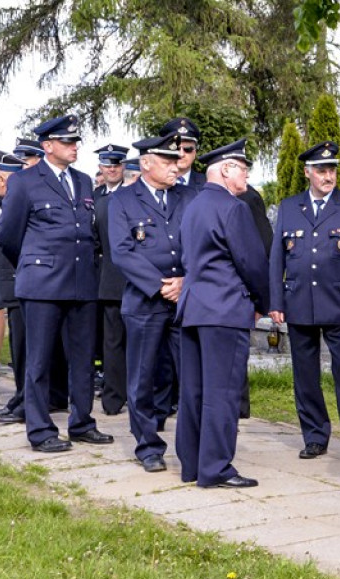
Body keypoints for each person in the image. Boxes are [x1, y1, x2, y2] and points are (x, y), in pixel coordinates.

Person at [0, 114, 114, 452]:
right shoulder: (25, 181)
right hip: (43, 283)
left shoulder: (81, 181)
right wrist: (37, 262)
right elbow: (8, 235)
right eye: (66, 141)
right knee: (40, 360)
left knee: (81, 359)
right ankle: (40, 430)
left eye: (75, 141)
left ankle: (81, 423)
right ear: (48, 146)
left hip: (81, 282)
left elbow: (86, 232)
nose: (74, 146)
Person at [268, 140, 340, 462]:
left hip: (339, 302)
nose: (329, 176)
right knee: (305, 374)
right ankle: (314, 436)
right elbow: (276, 259)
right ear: (307, 172)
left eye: (332, 170)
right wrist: (276, 302)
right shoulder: (288, 207)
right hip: (299, 302)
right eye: (322, 170)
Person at [174, 139, 268, 488]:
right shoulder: (234, 208)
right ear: (226, 170)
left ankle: (192, 465)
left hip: (195, 306)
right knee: (223, 391)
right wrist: (262, 301)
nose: (246, 176)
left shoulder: (194, 206)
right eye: (243, 168)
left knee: (194, 390)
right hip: (226, 307)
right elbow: (252, 262)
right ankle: (215, 468)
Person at [109, 134, 193, 473]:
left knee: (189, 375)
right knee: (142, 377)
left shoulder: (188, 197)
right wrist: (162, 287)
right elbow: (122, 251)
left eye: (177, 160)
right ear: (146, 164)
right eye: (167, 161)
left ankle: (191, 444)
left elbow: (201, 243)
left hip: (185, 300)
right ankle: (148, 445)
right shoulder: (124, 200)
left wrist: (186, 281)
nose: (176, 166)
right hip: (145, 301)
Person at [92, 143, 130, 416]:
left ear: (123, 167)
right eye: (107, 164)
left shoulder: (134, 196)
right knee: (112, 342)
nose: (112, 169)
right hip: (106, 279)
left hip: (134, 278)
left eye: (116, 164)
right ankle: (113, 396)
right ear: (101, 168)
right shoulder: (93, 198)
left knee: (141, 341)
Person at [0, 150, 26, 406]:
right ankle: (21, 395)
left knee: (24, 343)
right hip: (7, 281)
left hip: (19, 280)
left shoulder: (13, 205)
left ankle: (25, 395)